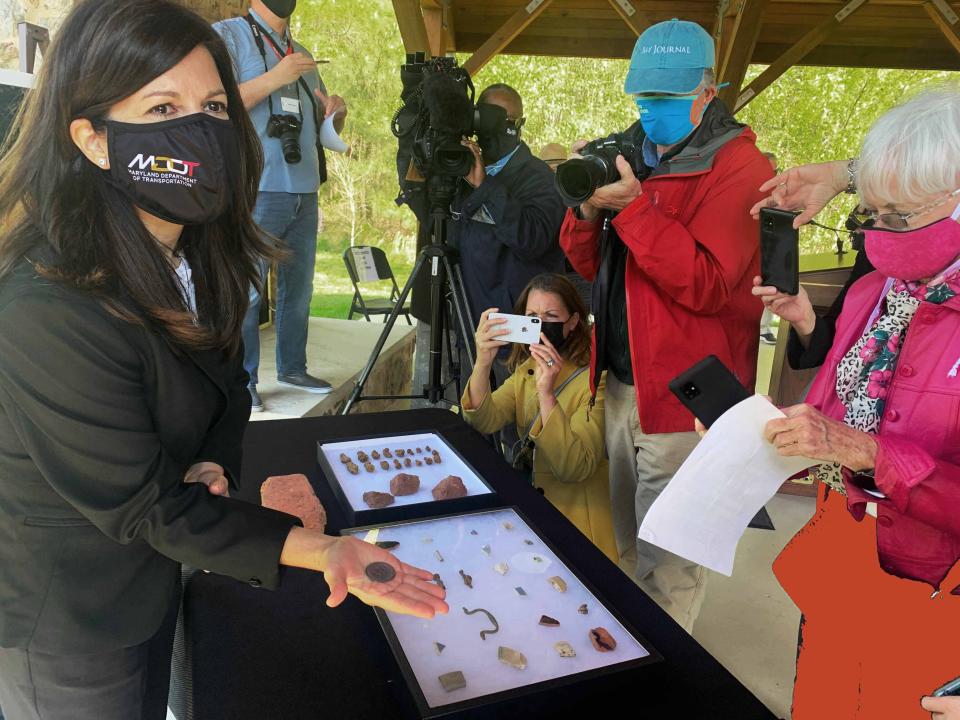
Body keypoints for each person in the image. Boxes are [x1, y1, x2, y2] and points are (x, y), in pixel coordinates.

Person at [0, 3, 445, 718]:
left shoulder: (196, 253)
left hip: (148, 584)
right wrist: (324, 552)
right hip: (69, 623)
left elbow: (227, 387)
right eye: (163, 105)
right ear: (91, 138)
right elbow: (146, 504)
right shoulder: (45, 308)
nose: (202, 128)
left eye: (212, 104)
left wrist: (214, 464)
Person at [753, 87, 960, 719]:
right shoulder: (879, 287)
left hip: (935, 597)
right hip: (847, 569)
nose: (877, 235)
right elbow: (861, 396)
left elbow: (869, 436)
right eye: (867, 213)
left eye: (897, 217)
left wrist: (866, 452)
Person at [559, 18, 771, 631]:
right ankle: (644, 653)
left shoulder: (740, 166)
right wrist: (587, 208)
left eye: (666, 98)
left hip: (686, 397)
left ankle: (669, 676)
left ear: (708, 93)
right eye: (643, 95)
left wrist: (637, 210)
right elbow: (586, 264)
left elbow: (707, 285)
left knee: (669, 561)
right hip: (623, 382)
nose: (650, 110)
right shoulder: (627, 153)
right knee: (631, 542)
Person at [215, 0, 348, 412]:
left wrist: (335, 116)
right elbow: (217, 104)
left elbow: (317, 129)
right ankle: (245, 381)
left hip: (305, 190)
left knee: (300, 291)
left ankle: (293, 367)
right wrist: (277, 77)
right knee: (248, 293)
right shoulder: (228, 36)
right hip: (257, 187)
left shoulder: (302, 53)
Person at [461, 274, 617, 561]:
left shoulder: (597, 379)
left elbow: (575, 468)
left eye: (551, 315)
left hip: (578, 530)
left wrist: (547, 394)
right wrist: (483, 361)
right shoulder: (527, 369)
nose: (541, 323)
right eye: (532, 316)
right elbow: (483, 420)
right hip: (533, 522)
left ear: (573, 322)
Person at [759, 151, 780, 345]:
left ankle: (764, 328)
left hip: (772, 247)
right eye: (770, 169)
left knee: (771, 286)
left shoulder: (780, 191)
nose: (774, 173)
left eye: (776, 169)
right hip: (753, 247)